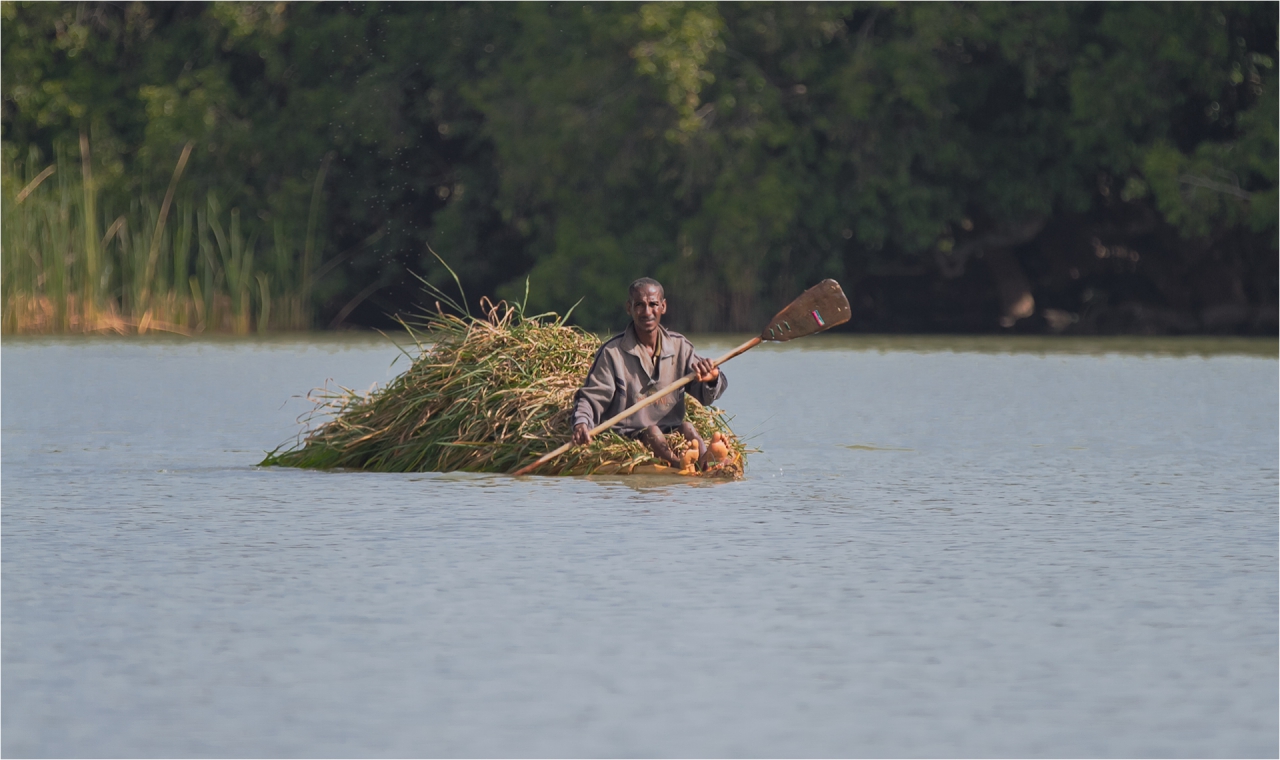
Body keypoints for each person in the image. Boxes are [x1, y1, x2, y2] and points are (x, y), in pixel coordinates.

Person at [571, 277, 727, 468]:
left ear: (663, 306)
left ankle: (706, 460)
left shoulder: (680, 347)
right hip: (630, 433)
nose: (647, 312)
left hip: (672, 429)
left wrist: (712, 378)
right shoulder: (612, 353)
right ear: (629, 308)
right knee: (652, 431)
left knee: (688, 427)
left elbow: (707, 395)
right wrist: (581, 423)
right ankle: (679, 465)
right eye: (639, 305)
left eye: (653, 304)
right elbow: (592, 398)